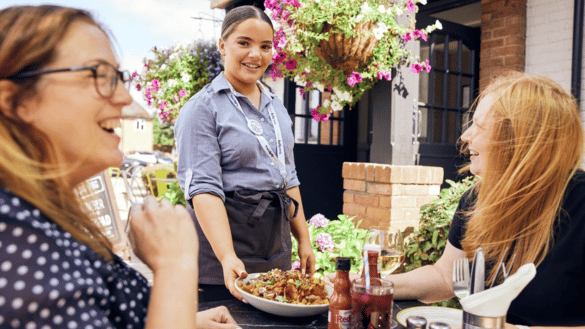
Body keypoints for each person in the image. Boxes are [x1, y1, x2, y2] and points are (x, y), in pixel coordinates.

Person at [0, 5, 239, 329]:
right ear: (17, 102)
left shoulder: (38, 216)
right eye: (99, 75)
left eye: (119, 77)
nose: (126, 98)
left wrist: (186, 320)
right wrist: (175, 265)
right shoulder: (14, 242)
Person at [326, 72, 585, 328]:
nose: (465, 136)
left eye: (479, 126)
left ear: (518, 139)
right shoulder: (477, 198)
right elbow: (445, 277)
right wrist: (369, 285)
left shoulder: (580, 202)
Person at [175, 5, 316, 301]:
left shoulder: (276, 106)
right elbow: (204, 189)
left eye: (265, 46)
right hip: (221, 260)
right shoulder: (202, 109)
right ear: (223, 46)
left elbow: (287, 177)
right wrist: (227, 256)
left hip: (274, 250)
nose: (256, 55)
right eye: (244, 43)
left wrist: (303, 239)